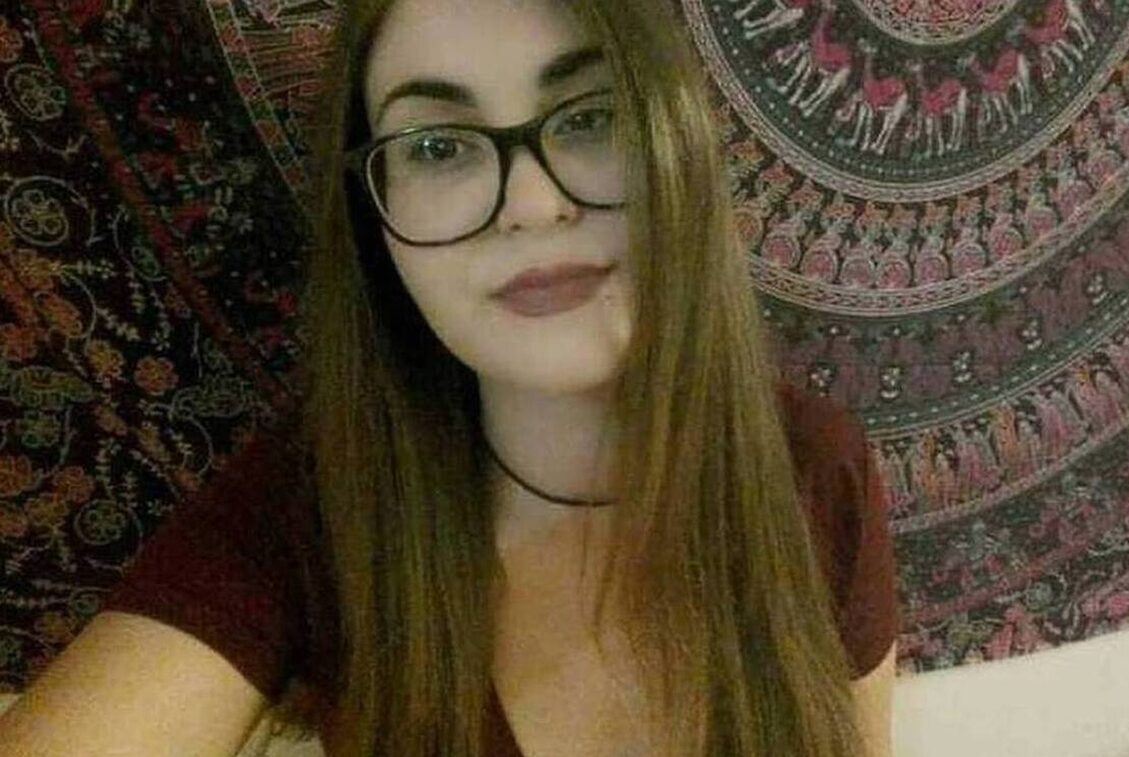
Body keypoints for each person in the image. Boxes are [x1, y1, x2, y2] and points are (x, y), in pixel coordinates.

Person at [0, 0, 899, 755]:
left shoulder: (816, 470)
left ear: (684, 146)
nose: (533, 205)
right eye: (437, 147)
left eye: (591, 116)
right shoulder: (314, 506)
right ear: (376, 214)